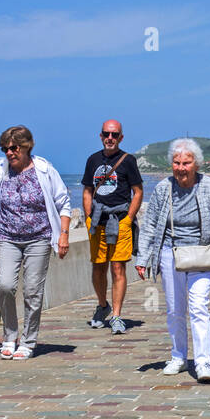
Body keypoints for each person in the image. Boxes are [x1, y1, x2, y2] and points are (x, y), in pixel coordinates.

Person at [137, 139, 210, 383]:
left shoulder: (208, 186)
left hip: (201, 254)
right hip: (171, 253)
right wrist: (143, 257)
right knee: (175, 309)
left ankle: (203, 362)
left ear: (196, 164)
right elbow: (149, 226)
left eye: (186, 163)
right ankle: (178, 356)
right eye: (176, 162)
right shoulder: (163, 188)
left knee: (199, 307)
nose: (181, 168)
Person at [0, 126, 71, 360]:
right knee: (5, 286)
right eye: (6, 149)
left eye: (14, 148)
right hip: (7, 236)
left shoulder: (44, 170)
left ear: (26, 146)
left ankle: (29, 340)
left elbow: (63, 202)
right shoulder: (1, 172)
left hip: (39, 237)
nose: (10, 152)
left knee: (32, 291)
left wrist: (63, 234)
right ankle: (9, 336)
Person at [81, 119, 144, 335]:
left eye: (114, 135)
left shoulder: (128, 161)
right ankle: (102, 305)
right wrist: (89, 216)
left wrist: (128, 218)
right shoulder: (92, 160)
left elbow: (138, 191)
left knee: (118, 268)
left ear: (121, 137)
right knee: (98, 267)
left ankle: (116, 315)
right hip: (98, 221)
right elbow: (88, 190)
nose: (110, 138)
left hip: (120, 221)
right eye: (106, 134)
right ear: (100, 136)